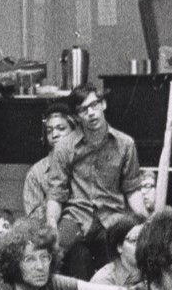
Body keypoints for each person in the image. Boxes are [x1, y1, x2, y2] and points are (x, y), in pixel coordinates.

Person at [43, 84, 149, 278]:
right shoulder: (64, 148)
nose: (91, 113)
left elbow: (132, 189)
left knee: (129, 254)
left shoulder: (125, 144)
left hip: (112, 215)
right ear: (76, 117)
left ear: (103, 104)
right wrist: (51, 226)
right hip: (76, 216)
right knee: (52, 253)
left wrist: (145, 219)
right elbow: (56, 194)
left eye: (94, 105)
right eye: (84, 110)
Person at [20, 105, 73, 224]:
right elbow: (32, 219)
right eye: (49, 131)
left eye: (61, 128)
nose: (55, 135)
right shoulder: (36, 173)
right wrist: (57, 200)